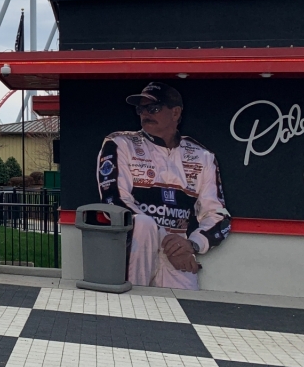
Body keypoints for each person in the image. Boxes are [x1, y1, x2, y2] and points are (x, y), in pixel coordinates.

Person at [96, 81, 231, 290]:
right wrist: (165, 238)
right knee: (143, 224)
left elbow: (218, 216)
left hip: (176, 250)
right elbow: (115, 201)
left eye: (154, 108)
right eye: (141, 109)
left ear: (176, 113)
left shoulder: (202, 156)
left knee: (185, 309)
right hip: (136, 245)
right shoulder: (120, 143)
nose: (144, 114)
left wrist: (191, 244)